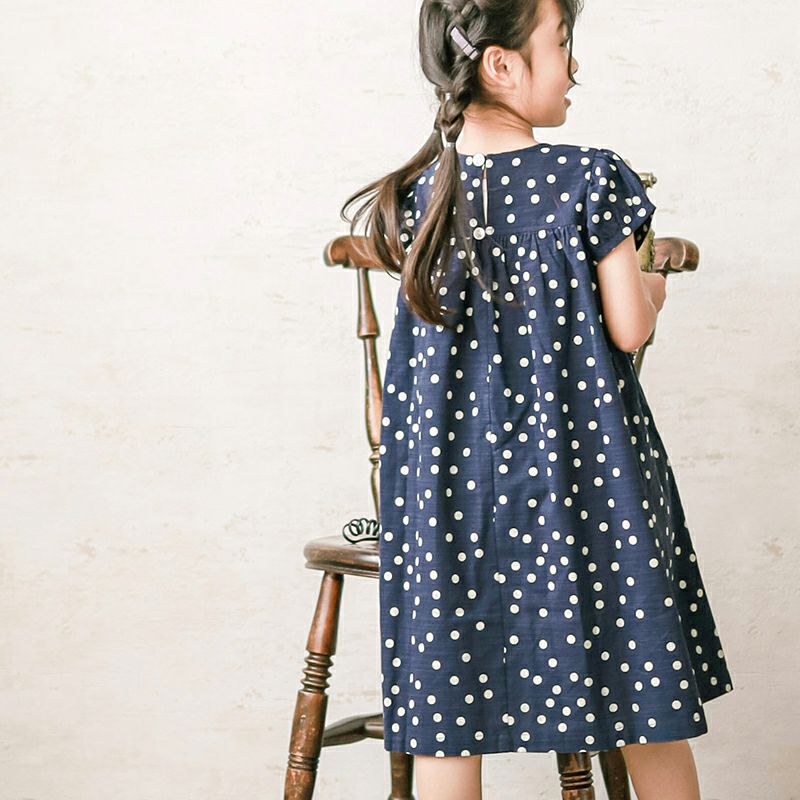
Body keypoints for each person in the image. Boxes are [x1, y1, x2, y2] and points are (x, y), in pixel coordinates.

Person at [340, 1, 734, 798]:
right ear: (502, 65)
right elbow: (629, 327)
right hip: (589, 487)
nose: (574, 65)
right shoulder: (589, 177)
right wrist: (652, 287)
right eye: (562, 44)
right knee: (644, 699)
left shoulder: (413, 196)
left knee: (448, 718)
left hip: (450, 500)